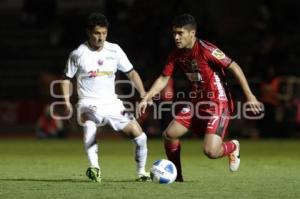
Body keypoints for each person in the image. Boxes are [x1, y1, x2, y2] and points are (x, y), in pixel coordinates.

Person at [139, 14, 262, 182]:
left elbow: (234, 66)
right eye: (174, 33)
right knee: (170, 134)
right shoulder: (176, 55)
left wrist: (250, 95)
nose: (176, 37)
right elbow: (163, 78)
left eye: (180, 33)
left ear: (192, 33)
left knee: (211, 152)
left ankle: (232, 146)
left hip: (218, 103)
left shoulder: (206, 49)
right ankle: (177, 177)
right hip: (196, 104)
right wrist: (147, 97)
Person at [61, 13, 150, 182]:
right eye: (96, 33)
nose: (100, 37)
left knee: (141, 137)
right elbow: (66, 79)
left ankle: (142, 173)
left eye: (104, 33)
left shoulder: (114, 50)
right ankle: (95, 168)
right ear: (89, 32)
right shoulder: (78, 54)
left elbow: (131, 73)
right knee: (89, 124)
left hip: (113, 104)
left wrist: (143, 93)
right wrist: (66, 101)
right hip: (88, 102)